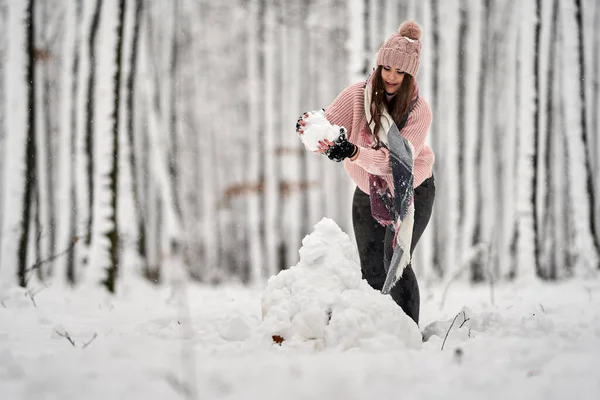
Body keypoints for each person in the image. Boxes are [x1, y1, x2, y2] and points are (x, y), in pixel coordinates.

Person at [296, 20, 435, 325]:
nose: (391, 76)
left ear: (410, 76)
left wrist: (355, 152)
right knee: (370, 266)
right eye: (387, 68)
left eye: (400, 72)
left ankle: (407, 330)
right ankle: (375, 330)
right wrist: (312, 128)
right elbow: (328, 120)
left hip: (411, 190)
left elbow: (397, 164)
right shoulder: (359, 95)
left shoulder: (418, 110)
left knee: (394, 260)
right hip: (368, 189)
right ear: (379, 65)